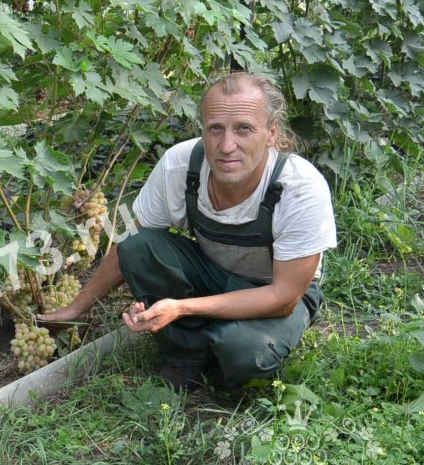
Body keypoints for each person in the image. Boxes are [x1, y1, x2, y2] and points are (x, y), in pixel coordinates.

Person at [39, 72, 337, 389]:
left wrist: (182, 308)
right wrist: (75, 309)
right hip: (211, 274)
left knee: (245, 351)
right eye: (215, 129)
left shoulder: (299, 189)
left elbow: (284, 297)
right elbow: (130, 242)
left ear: (272, 133)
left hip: (274, 294)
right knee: (140, 247)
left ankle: (221, 338)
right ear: (203, 130)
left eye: (244, 129)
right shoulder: (180, 166)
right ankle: (185, 354)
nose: (226, 145)